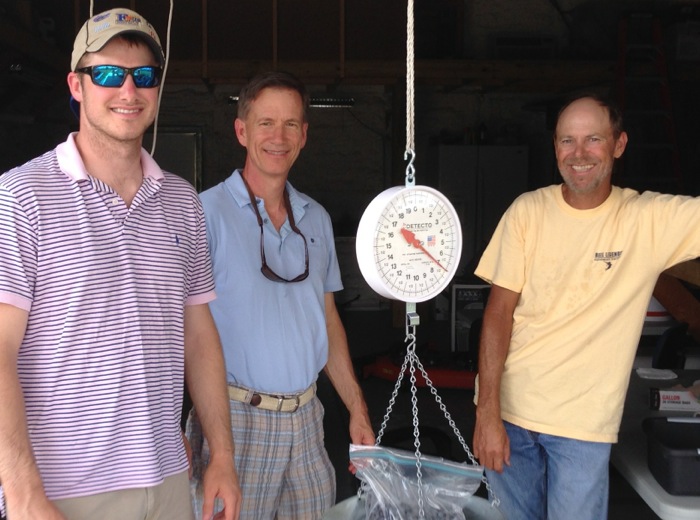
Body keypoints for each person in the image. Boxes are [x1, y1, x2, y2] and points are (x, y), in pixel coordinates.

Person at [0, 8, 240, 520]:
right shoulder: (22, 195)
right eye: (108, 73)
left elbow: (198, 333)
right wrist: (22, 492)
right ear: (76, 85)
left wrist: (221, 454)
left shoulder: (180, 202)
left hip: (168, 479)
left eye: (144, 76)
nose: (128, 91)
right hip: (66, 490)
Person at [471, 93, 700, 519]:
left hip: (583, 427)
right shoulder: (527, 212)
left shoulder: (647, 219)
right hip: (510, 413)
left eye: (593, 139)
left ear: (619, 144)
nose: (579, 154)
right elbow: (498, 314)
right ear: (555, 147)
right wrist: (488, 414)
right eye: (566, 141)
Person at [187, 70, 375, 519]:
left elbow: (327, 319)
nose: (278, 136)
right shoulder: (202, 213)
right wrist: (175, 425)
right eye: (265, 123)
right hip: (234, 419)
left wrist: (357, 408)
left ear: (305, 135)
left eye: (291, 124)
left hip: (307, 420)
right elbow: (178, 328)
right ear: (241, 130)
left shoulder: (316, 218)